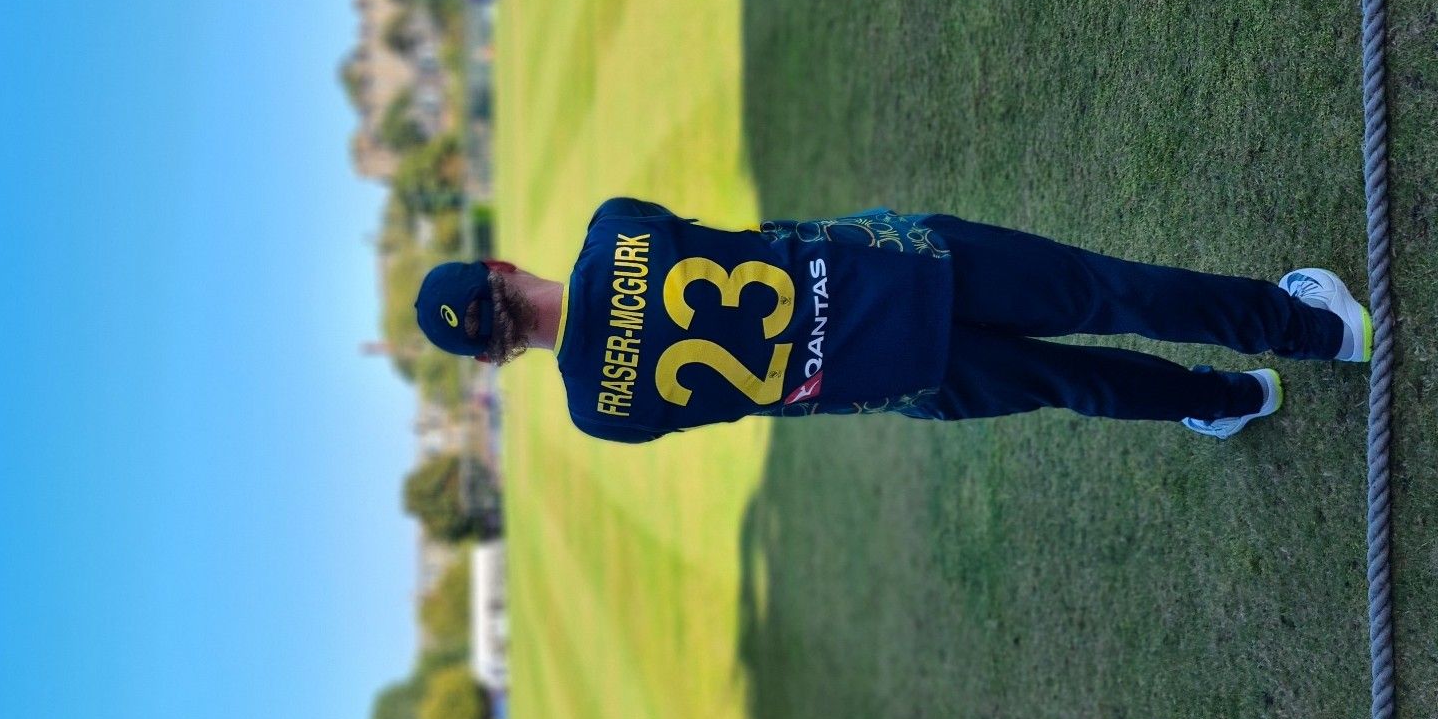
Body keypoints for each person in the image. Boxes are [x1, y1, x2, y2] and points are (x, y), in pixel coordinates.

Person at [413, 198, 1371, 444]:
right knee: (1101, 290)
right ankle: (1316, 331)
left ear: (497, 355)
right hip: (899, 269)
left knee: (1075, 383)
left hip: (885, 374)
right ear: (501, 268)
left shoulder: (600, 412)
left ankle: (1237, 396)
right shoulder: (614, 230)